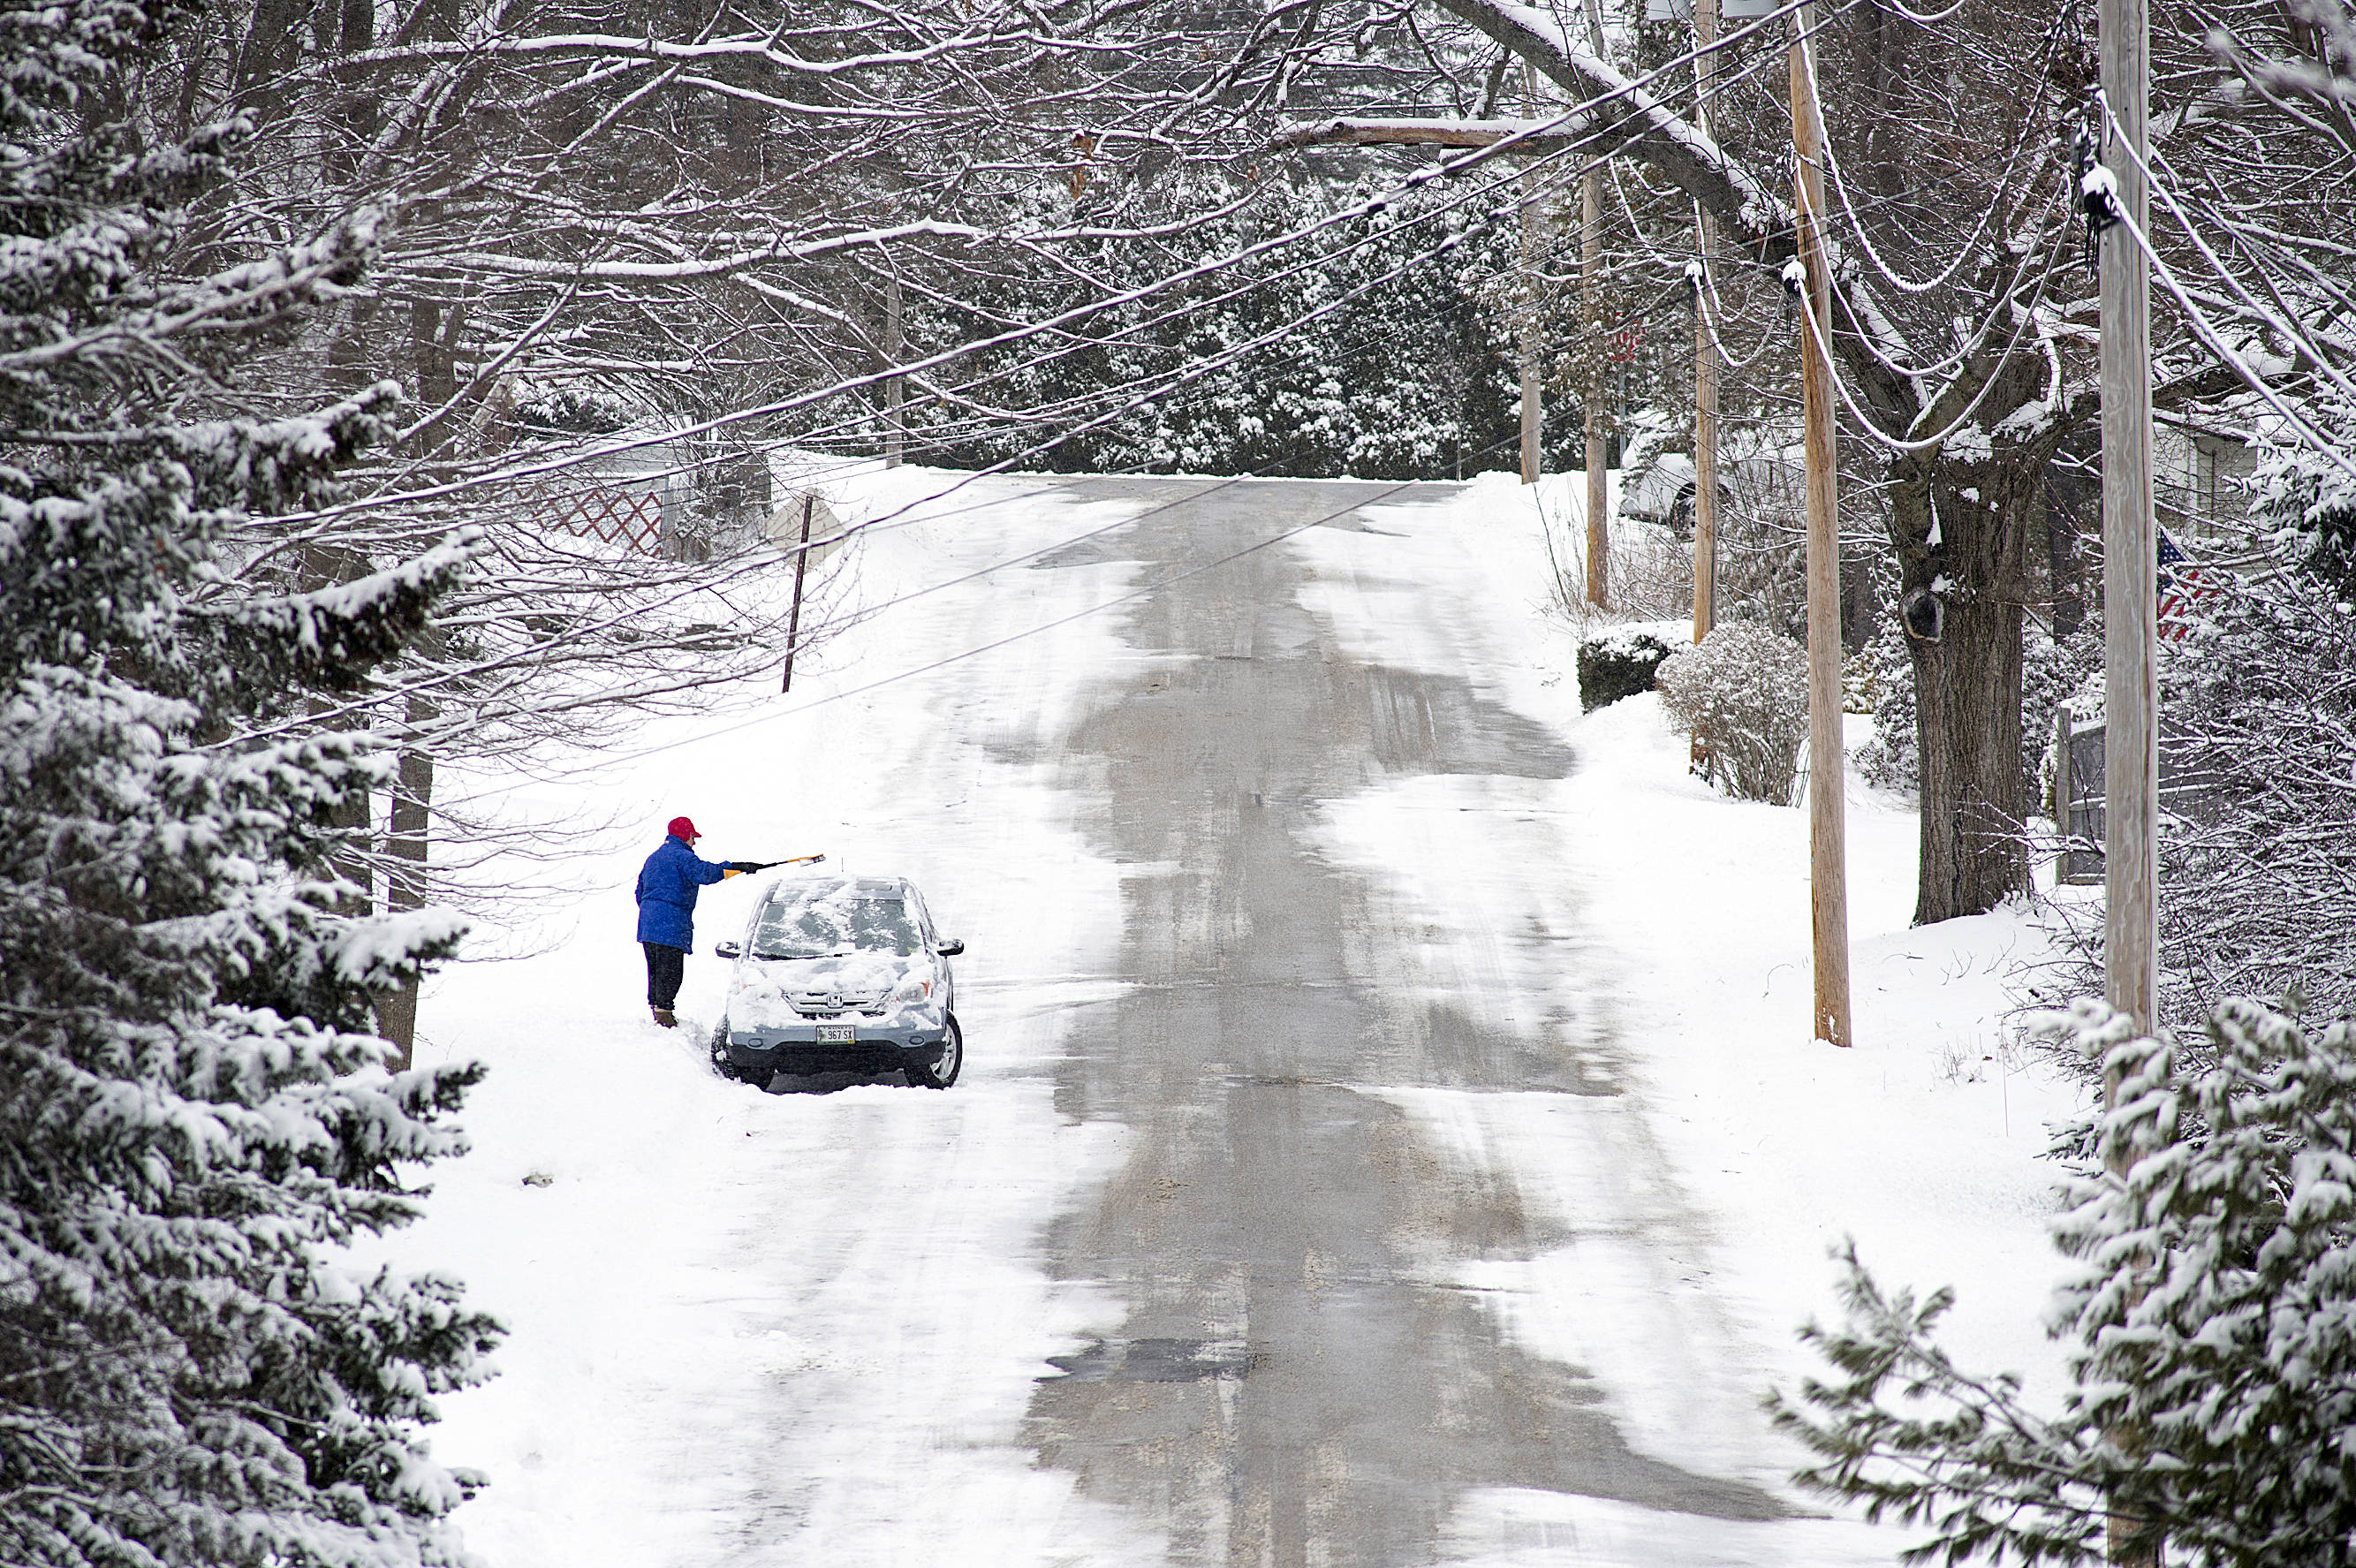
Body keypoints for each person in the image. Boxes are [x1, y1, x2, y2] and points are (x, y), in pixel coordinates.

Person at [634, 816, 766, 1027]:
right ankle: (664, 1019)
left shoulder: (653, 858)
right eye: (693, 837)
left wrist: (653, 912)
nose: (694, 842)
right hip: (671, 923)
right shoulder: (682, 856)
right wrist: (735, 867)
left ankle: (658, 1013)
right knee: (671, 972)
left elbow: (639, 891)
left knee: (656, 969)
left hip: (648, 924)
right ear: (685, 835)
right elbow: (704, 874)